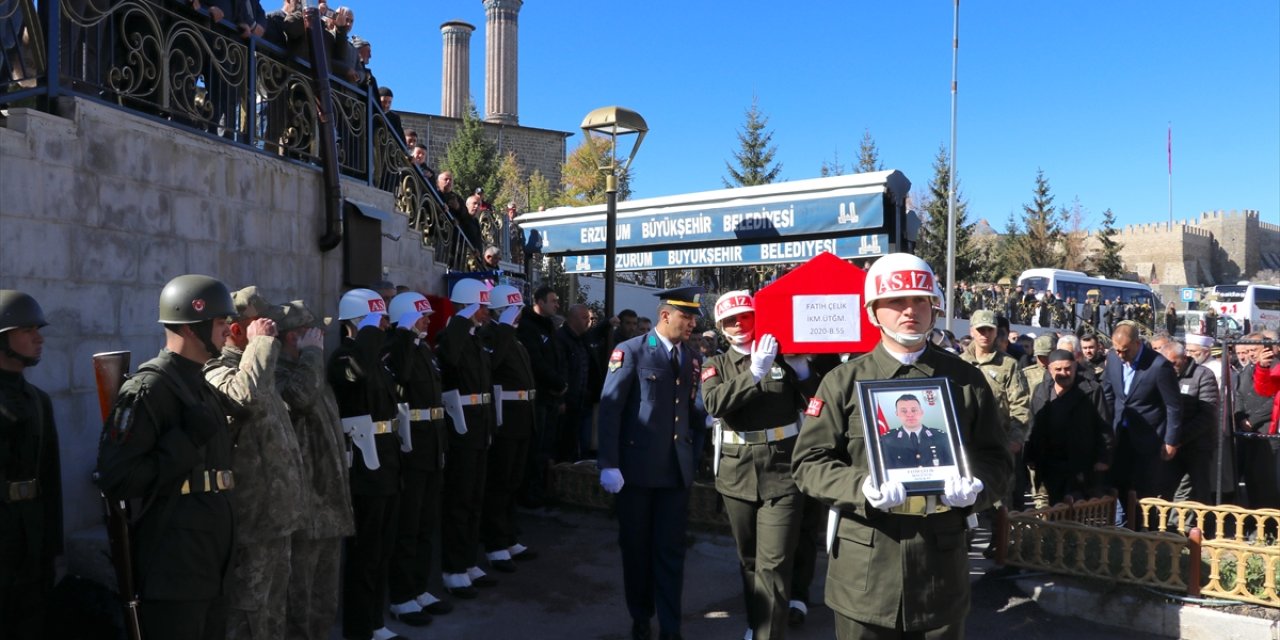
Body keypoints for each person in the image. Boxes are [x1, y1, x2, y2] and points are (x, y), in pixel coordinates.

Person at [792, 253, 1011, 639]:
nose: (910, 310)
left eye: (920, 301)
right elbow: (809, 463)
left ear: (934, 308)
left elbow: (996, 459)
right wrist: (859, 487)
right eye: (896, 301)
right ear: (874, 311)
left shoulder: (966, 382)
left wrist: (977, 487)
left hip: (939, 570)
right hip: (867, 571)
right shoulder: (843, 382)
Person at [96, 275, 237, 639]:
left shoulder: (200, 384)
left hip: (211, 556)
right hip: (175, 562)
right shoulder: (150, 388)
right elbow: (118, 478)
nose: (228, 330)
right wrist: (186, 439)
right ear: (193, 327)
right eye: (221, 323)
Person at [701, 290, 818, 640]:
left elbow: (817, 404)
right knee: (749, 559)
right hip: (737, 472)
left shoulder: (782, 357)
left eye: (746, 317)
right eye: (730, 321)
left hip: (782, 471)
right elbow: (714, 404)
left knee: (775, 560)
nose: (739, 325)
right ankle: (756, 623)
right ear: (721, 329)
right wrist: (753, 373)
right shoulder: (716, 366)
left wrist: (802, 370)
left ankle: (769, 632)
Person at [598, 286, 707, 640]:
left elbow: (690, 412)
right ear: (665, 315)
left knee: (671, 553)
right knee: (637, 549)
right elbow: (611, 408)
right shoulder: (629, 351)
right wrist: (608, 463)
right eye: (686, 317)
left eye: (694, 318)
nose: (691, 323)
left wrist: (705, 429)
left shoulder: (691, 358)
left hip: (675, 473)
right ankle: (641, 615)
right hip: (638, 472)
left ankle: (671, 628)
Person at [202, 287, 305, 639]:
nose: (270, 330)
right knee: (248, 614)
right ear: (235, 329)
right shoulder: (215, 371)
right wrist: (260, 345)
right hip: (251, 523)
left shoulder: (260, 366)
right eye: (261, 323)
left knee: (274, 612)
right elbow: (243, 398)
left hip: (277, 518)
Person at [273, 300, 355, 640]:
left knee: (324, 600)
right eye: (312, 331)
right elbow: (298, 399)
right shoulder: (277, 372)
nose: (321, 336)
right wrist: (311, 356)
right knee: (299, 602)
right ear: (293, 336)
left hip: (330, 505)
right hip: (303, 509)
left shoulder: (313, 369)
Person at [328, 288, 404, 640]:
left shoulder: (377, 360)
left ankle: (375, 621)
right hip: (364, 466)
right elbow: (355, 372)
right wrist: (370, 332)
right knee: (366, 551)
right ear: (357, 324)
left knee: (382, 547)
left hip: (386, 460)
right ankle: (360, 628)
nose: (384, 326)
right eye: (377, 320)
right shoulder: (344, 359)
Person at [384, 292, 452, 625]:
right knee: (408, 526)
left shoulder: (423, 349)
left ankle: (419, 588)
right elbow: (402, 378)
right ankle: (401, 596)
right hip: (412, 450)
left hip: (432, 444)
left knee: (426, 524)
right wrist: (406, 336)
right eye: (421, 316)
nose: (427, 321)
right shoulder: (398, 348)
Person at [0, 290, 61, 640]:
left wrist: (54, 549)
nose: (39, 338)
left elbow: (50, 480)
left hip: (31, 539)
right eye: (27, 330)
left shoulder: (38, 401)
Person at [436, 278, 497, 598]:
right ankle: (453, 567)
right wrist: (462, 319)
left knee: (474, 498)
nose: (486, 312)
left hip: (478, 427)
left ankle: (468, 560)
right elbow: (451, 360)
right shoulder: (453, 334)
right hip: (461, 430)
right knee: (459, 500)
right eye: (481, 306)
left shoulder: (475, 338)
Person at [479, 285, 539, 571]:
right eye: (514, 311)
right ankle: (494, 542)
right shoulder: (490, 335)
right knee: (500, 482)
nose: (518, 317)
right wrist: (503, 329)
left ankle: (508, 535)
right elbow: (492, 364)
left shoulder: (513, 338)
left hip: (521, 417)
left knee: (513, 481)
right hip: (505, 419)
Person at [1101, 322, 1184, 506]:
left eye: (1125, 351)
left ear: (1137, 344)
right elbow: (1108, 395)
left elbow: (1173, 406)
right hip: (1119, 435)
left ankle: (1145, 532)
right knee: (1118, 488)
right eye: (1117, 350)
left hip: (1149, 438)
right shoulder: (1113, 360)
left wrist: (1170, 440)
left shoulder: (1158, 365)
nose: (1121, 356)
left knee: (1144, 493)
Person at [1026, 350, 1113, 506]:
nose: (1064, 373)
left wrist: (1103, 457)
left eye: (1067, 369)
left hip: (1079, 464)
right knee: (1050, 510)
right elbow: (1033, 423)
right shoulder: (1041, 390)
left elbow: (1104, 425)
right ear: (1049, 369)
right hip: (1049, 463)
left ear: (1075, 367)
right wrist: (1030, 454)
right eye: (1058, 369)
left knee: (1076, 512)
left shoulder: (1091, 390)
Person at [1157, 340, 1219, 505]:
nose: (1170, 366)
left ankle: (1204, 527)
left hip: (1197, 446)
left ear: (1184, 357)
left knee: (1199, 492)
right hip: (1171, 444)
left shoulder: (1203, 375)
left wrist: (1177, 438)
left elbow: (1207, 415)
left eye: (1173, 362)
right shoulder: (1164, 375)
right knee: (1166, 490)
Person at [878, 394, 955, 470]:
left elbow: (952, 467)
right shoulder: (887, 440)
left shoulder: (941, 437)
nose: (910, 414)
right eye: (904, 411)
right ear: (897, 414)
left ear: (921, 412)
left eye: (914, 410)